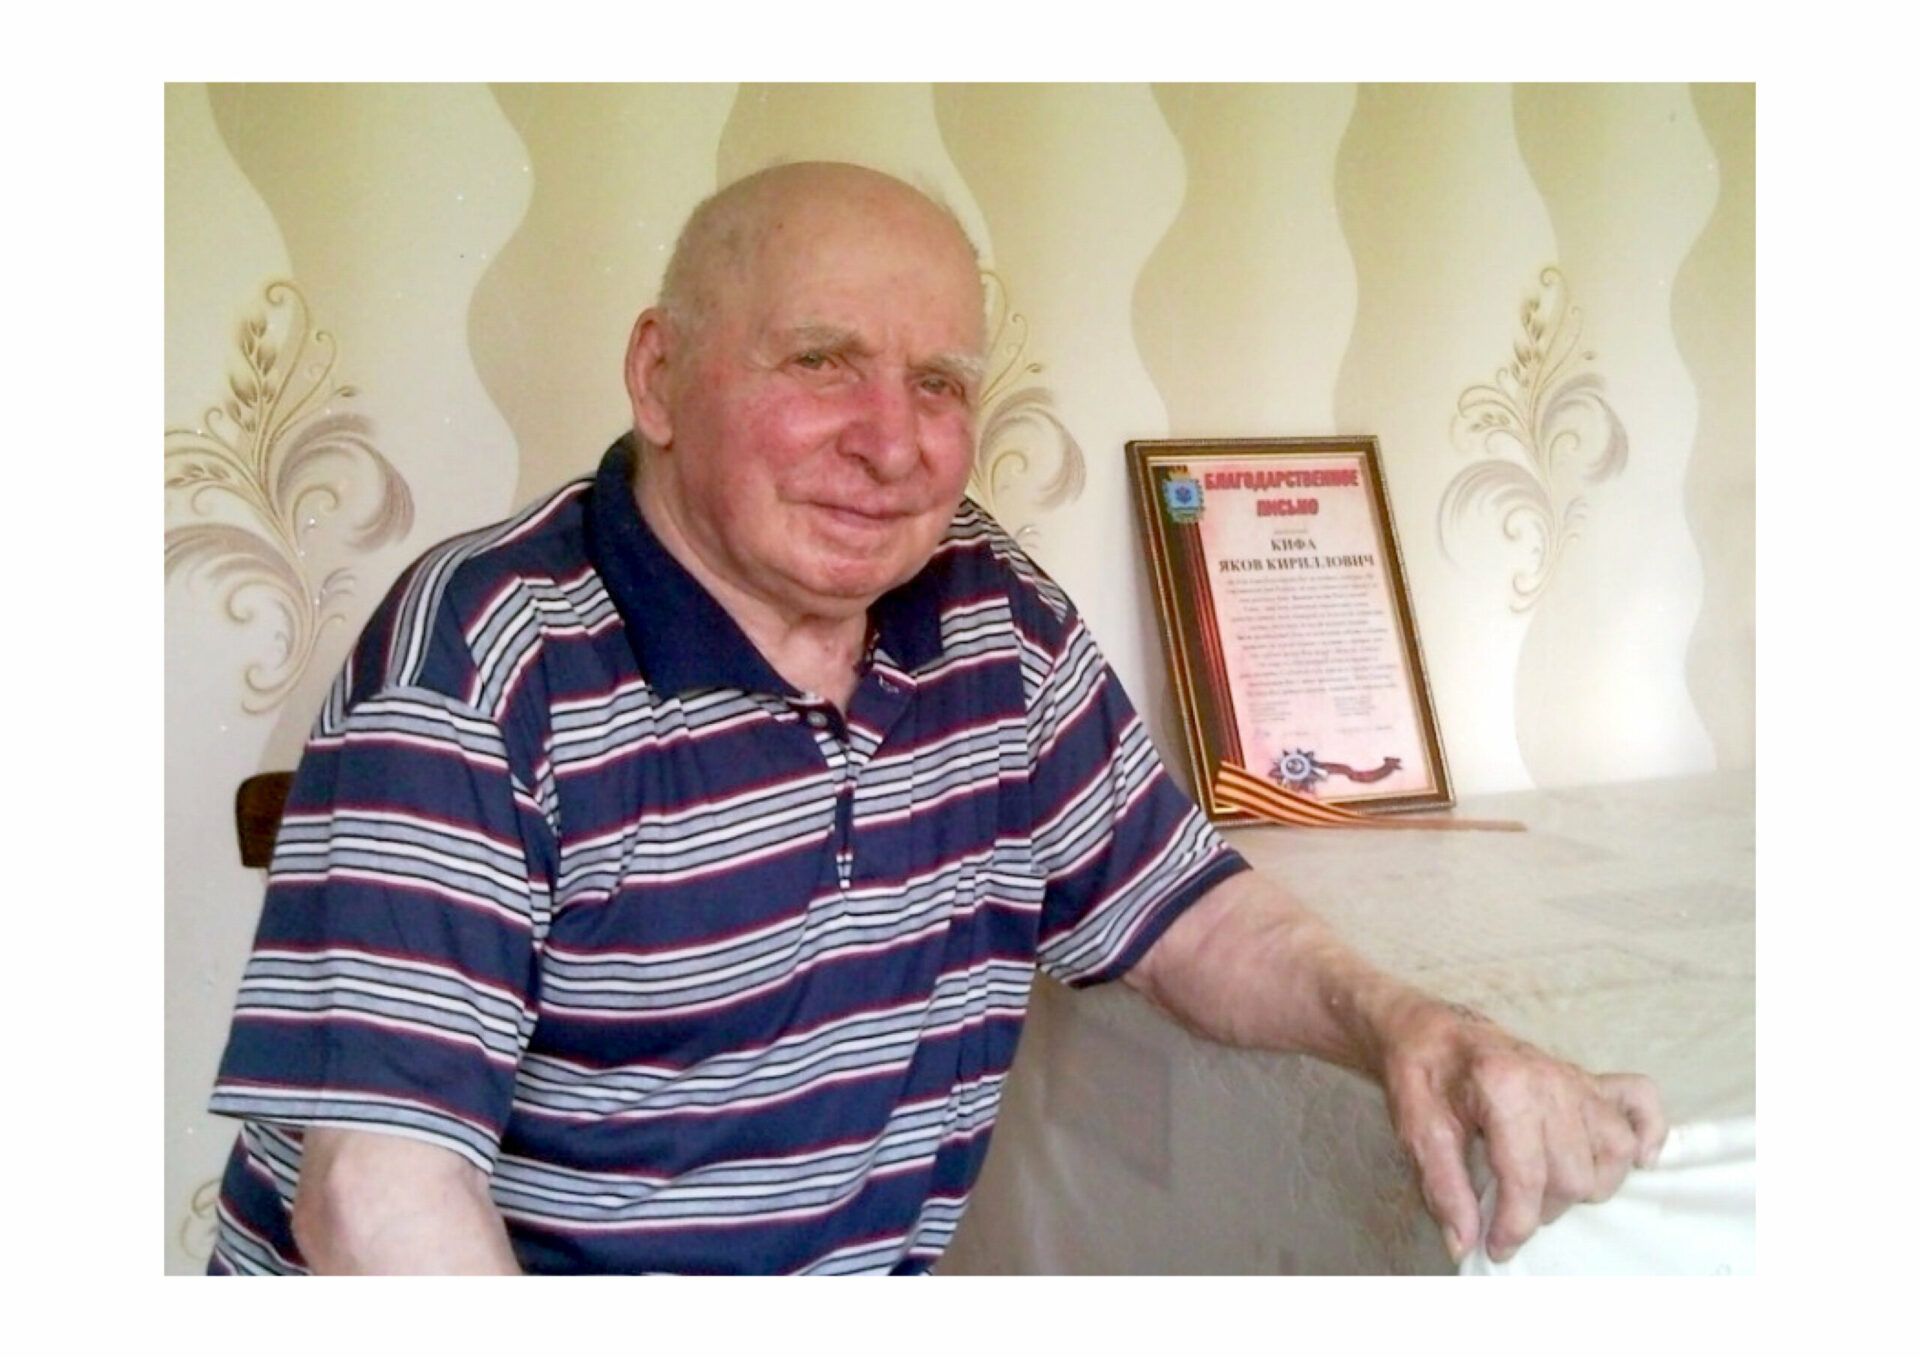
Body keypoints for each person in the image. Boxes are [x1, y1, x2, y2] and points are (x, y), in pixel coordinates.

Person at [205, 161, 1665, 1275]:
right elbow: (377, 1195)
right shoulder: (483, 656)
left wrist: (1411, 1025)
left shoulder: (988, 608)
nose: (893, 443)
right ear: (659, 375)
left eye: (939, 383)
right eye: (820, 360)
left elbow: (1184, 914)